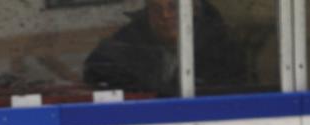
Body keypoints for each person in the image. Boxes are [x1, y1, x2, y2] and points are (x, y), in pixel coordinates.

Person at [83, 0, 246, 98]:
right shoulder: (128, 40)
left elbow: (233, 95)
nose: (165, 16)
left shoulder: (221, 47)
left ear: (193, 10)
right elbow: (97, 70)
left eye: (173, 7)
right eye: (156, 9)